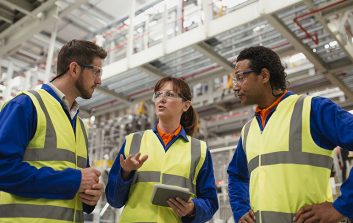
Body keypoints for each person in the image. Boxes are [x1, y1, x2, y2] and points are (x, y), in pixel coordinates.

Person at [227, 46, 353, 223]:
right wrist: (241, 210)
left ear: (264, 76)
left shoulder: (312, 110)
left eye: (240, 77)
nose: (235, 86)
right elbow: (237, 175)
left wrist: (341, 207)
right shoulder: (249, 130)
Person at [0, 39, 107, 223]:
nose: (99, 80)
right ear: (74, 69)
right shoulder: (27, 105)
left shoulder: (80, 126)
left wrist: (90, 195)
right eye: (96, 71)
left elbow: (80, 182)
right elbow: (3, 169)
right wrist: (73, 181)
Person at [106, 77, 219, 222]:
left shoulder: (199, 150)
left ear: (185, 105)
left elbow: (211, 203)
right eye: (158, 95)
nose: (162, 99)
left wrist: (192, 208)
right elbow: (114, 200)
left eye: (169, 94)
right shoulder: (133, 141)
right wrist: (125, 173)